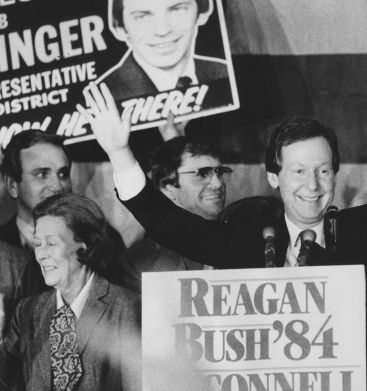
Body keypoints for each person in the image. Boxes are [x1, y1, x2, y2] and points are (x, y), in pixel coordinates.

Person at [78, 60, 367, 386]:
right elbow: (170, 225)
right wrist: (120, 153)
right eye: (298, 171)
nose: (312, 185)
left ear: (335, 174)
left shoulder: (360, 232)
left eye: (323, 170)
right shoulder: (244, 235)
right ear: (273, 177)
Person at [0, 193, 140, 391]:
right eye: (38, 244)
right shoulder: (28, 311)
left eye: (52, 243)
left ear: (85, 245)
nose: (41, 255)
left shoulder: (128, 308)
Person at [97, 0, 232, 107]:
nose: (163, 30)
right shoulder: (100, 99)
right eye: (142, 16)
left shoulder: (225, 74)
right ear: (119, 29)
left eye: (177, 9)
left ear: (201, 14)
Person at [121, 137, 230, 291]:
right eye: (202, 174)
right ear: (167, 188)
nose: (218, 183)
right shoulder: (144, 266)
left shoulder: (247, 237)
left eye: (219, 172)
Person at [0, 130, 71, 249]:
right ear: (12, 185)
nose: (58, 186)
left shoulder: (99, 238)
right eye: (42, 175)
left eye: (63, 174)